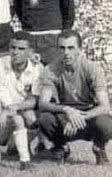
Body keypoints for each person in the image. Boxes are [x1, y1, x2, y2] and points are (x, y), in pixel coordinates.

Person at [38, 30, 112, 165]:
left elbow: (105, 106)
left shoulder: (92, 68)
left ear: (80, 49)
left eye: (70, 48)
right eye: (62, 48)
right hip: (64, 117)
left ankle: (99, 146)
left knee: (106, 123)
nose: (66, 52)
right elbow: (43, 103)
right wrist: (67, 111)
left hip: (88, 115)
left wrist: (79, 117)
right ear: (57, 49)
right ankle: (61, 146)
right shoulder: (50, 70)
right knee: (44, 119)